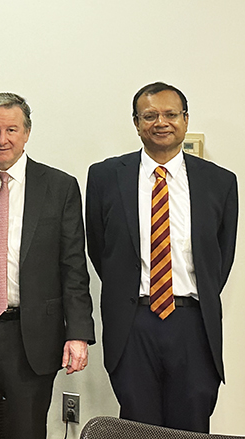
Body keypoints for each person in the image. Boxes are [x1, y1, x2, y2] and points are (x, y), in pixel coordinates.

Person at [85, 82, 237, 433]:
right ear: (136, 123)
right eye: (150, 115)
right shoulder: (106, 176)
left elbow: (220, 258)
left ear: (185, 120)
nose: (161, 122)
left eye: (171, 114)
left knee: (192, 423)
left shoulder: (220, 182)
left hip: (193, 324)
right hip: (133, 322)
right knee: (138, 425)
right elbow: (100, 249)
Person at [0, 92, 95, 439]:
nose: (2, 139)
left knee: (26, 430)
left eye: (11, 129)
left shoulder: (59, 187)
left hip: (32, 335)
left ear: (27, 133)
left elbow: (73, 267)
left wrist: (78, 333)